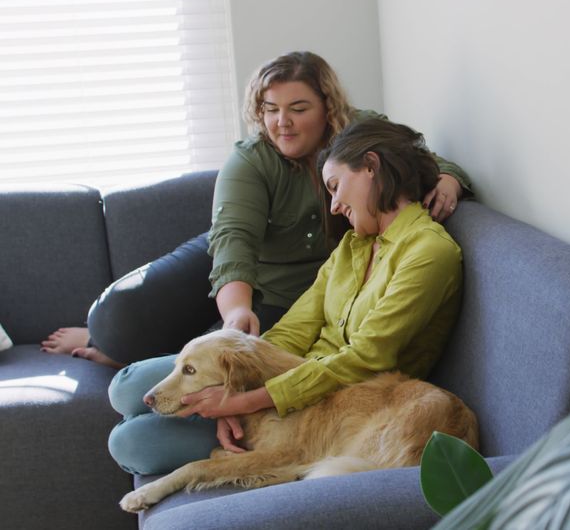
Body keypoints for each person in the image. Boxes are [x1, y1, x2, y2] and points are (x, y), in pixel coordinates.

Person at [40, 52, 471, 368]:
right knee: (118, 317)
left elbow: (414, 157)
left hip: (294, 286)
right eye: (271, 110)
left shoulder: (359, 137)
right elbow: (233, 243)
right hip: (238, 259)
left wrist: (449, 179)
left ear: (328, 108)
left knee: (224, 358)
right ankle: (108, 339)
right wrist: (235, 308)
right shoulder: (250, 160)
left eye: (298, 109)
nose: (282, 121)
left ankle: (141, 356)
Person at [107, 117, 464, 475]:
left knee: (131, 444)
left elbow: (367, 358)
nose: (335, 205)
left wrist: (247, 400)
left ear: (371, 166)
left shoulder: (429, 251)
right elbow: (293, 330)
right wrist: (239, 387)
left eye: (336, 186)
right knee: (127, 388)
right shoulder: (352, 246)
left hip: (339, 407)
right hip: (286, 392)